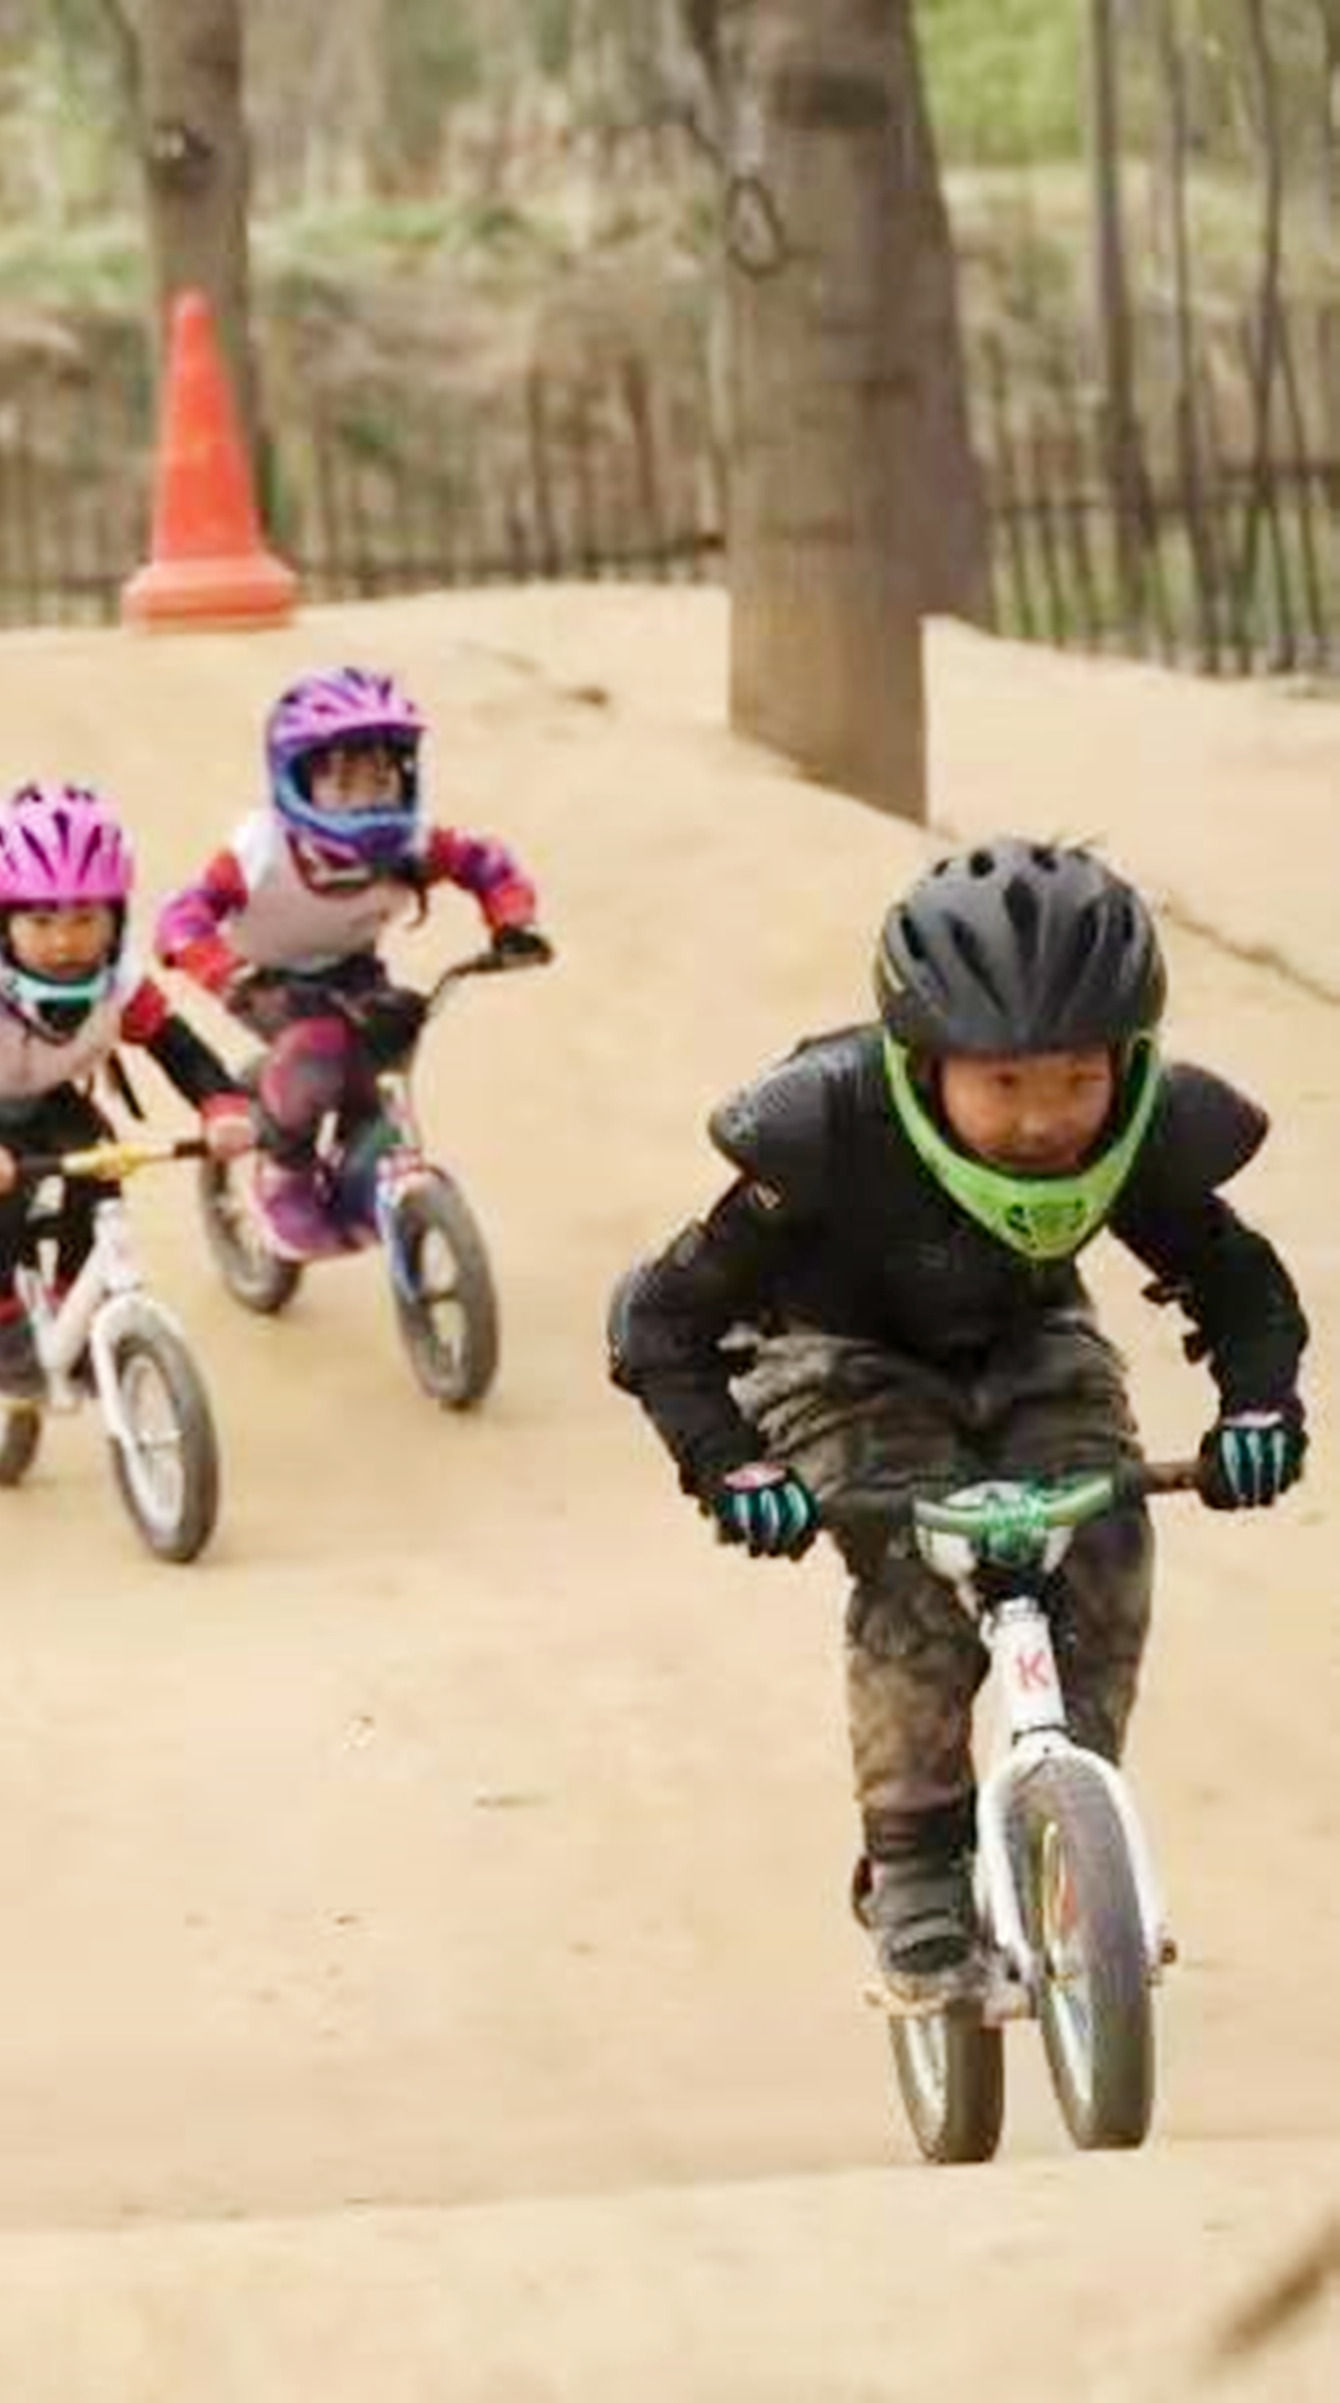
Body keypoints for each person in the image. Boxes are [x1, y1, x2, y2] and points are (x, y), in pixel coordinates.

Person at [607, 842, 1305, 2007]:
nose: (1043, 1122)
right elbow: (656, 1321)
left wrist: (1258, 1406)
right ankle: (916, 1871)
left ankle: (1071, 1832)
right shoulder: (821, 1127)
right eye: (1004, 1084)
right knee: (923, 1573)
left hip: (1030, 1343)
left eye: (1075, 1079)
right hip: (832, 1356)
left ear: (1125, 1062)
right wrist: (727, 1468)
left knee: (1106, 1539)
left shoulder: (1143, 1129)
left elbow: (1240, 1285)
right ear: (922, 1066)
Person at [152, 667, 548, 1258]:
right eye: (343, 781)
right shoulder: (261, 851)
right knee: (316, 1050)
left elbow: (487, 864)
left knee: (384, 1054)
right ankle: (283, 1178)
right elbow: (180, 919)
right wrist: (219, 968)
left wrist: (512, 920)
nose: (368, 798)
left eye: (381, 778)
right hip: (265, 977)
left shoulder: (413, 841)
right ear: (295, 782)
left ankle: (365, 1175)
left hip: (352, 968)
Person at [0, 783, 255, 1399]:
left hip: (42, 1091)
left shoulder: (120, 986)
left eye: (86, 918)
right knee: (7, 1194)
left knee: (101, 1163)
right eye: (40, 920)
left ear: (116, 918)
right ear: (0, 924)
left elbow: (182, 1051)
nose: (65, 941)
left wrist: (220, 1105)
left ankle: (69, 1296)